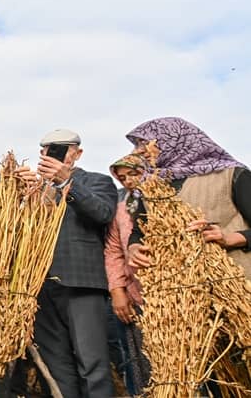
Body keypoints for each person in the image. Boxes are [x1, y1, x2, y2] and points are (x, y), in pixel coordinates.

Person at [15, 129, 117, 397]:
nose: (54, 154)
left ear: (78, 153)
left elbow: (102, 213)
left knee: (91, 362)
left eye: (62, 149)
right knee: (54, 366)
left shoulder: (96, 181)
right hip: (40, 287)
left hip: (81, 283)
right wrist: (18, 193)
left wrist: (65, 181)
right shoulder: (36, 190)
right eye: (49, 150)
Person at [126, 117, 250, 277]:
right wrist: (134, 247)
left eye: (146, 142)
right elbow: (139, 231)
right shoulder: (150, 187)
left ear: (175, 140)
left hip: (236, 282)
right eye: (137, 144)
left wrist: (230, 238)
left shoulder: (230, 174)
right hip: (177, 288)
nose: (138, 151)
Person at [103, 153, 150, 395]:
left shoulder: (168, 202)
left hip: (171, 296)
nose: (128, 181)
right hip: (134, 295)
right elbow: (113, 252)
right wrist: (118, 291)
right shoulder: (121, 209)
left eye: (134, 173)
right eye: (122, 178)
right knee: (139, 363)